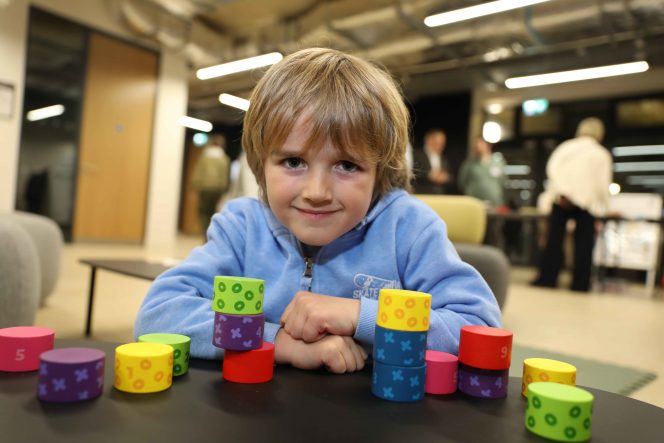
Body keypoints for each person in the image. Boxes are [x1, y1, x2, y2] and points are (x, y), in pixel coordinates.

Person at [134, 48, 501, 374]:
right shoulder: (241, 227)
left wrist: (361, 316)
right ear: (261, 164)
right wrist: (277, 342)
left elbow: (480, 330)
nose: (317, 192)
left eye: (346, 165)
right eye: (293, 161)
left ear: (381, 170)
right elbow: (158, 315)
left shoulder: (409, 228)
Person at [532, 117, 612, 292]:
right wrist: (605, 208)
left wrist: (564, 192)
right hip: (586, 203)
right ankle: (580, 284)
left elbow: (552, 170)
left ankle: (547, 279)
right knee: (584, 245)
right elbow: (602, 184)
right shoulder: (601, 154)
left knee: (554, 241)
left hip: (562, 199)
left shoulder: (566, 147)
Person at [191, 134, 230, 240]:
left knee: (203, 213)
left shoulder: (205, 157)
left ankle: (205, 235)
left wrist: (195, 187)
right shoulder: (224, 159)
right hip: (217, 189)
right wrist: (223, 191)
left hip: (205, 188)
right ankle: (212, 235)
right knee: (213, 212)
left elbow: (199, 172)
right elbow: (224, 177)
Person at [458, 137, 507, 207]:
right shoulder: (469, 163)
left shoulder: (499, 163)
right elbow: (461, 182)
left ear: (488, 145)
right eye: (476, 143)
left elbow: (503, 182)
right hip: (473, 203)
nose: (477, 145)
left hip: (494, 204)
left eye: (480, 143)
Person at [412, 129, 452, 194]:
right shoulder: (416, 155)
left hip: (440, 196)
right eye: (438, 143)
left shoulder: (444, 159)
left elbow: (450, 177)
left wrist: (445, 177)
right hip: (423, 194)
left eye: (442, 143)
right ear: (429, 140)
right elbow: (413, 172)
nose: (441, 146)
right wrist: (430, 175)